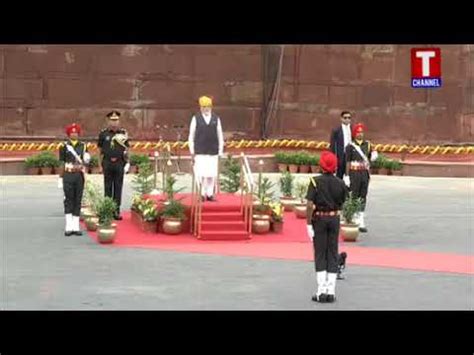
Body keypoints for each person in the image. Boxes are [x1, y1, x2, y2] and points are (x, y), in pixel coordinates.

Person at [306, 151, 348, 303]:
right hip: (334, 219)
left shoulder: (315, 181)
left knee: (320, 254)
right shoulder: (340, 183)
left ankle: (321, 291)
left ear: (321, 165)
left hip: (320, 220)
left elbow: (310, 204)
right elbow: (343, 202)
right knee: (332, 253)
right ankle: (331, 291)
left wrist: (309, 223)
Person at [188, 96, 224, 202]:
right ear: (200, 107)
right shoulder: (196, 118)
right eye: (204, 107)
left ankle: (210, 193)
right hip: (200, 150)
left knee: (211, 174)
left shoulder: (216, 119)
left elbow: (220, 135)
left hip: (213, 150)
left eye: (208, 106)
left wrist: (220, 150)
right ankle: (202, 193)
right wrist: (192, 150)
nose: (206, 109)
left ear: (211, 107)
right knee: (202, 173)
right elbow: (191, 135)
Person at [344, 123, 378, 233]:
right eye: (358, 132)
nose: (360, 134)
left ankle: (361, 220)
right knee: (354, 195)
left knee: (363, 196)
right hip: (354, 173)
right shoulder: (350, 146)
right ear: (354, 134)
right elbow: (348, 162)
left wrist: (374, 155)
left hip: (364, 173)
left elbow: (372, 155)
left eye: (362, 132)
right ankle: (354, 218)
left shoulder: (368, 145)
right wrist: (347, 176)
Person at [58, 123, 90, 236]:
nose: (74, 134)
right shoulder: (63, 146)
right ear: (68, 134)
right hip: (68, 174)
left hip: (79, 175)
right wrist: (60, 177)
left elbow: (86, 160)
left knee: (78, 199)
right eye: (72, 132)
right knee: (68, 199)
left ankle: (76, 226)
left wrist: (87, 160)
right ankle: (68, 226)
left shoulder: (84, 145)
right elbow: (61, 162)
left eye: (76, 132)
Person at [97, 111, 130, 220]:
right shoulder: (103, 134)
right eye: (112, 120)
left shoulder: (123, 133)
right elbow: (100, 151)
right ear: (108, 121)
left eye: (116, 120)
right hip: (107, 163)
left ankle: (116, 210)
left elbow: (127, 149)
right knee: (107, 187)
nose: (114, 122)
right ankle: (107, 210)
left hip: (119, 163)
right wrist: (99, 165)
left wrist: (128, 162)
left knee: (118, 187)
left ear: (119, 121)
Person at [329, 111, 353, 179]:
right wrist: (334, 158)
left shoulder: (352, 129)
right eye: (345, 118)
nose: (347, 119)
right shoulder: (336, 130)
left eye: (349, 118)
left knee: (351, 175)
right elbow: (333, 146)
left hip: (351, 155)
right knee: (339, 175)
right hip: (341, 156)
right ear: (341, 118)